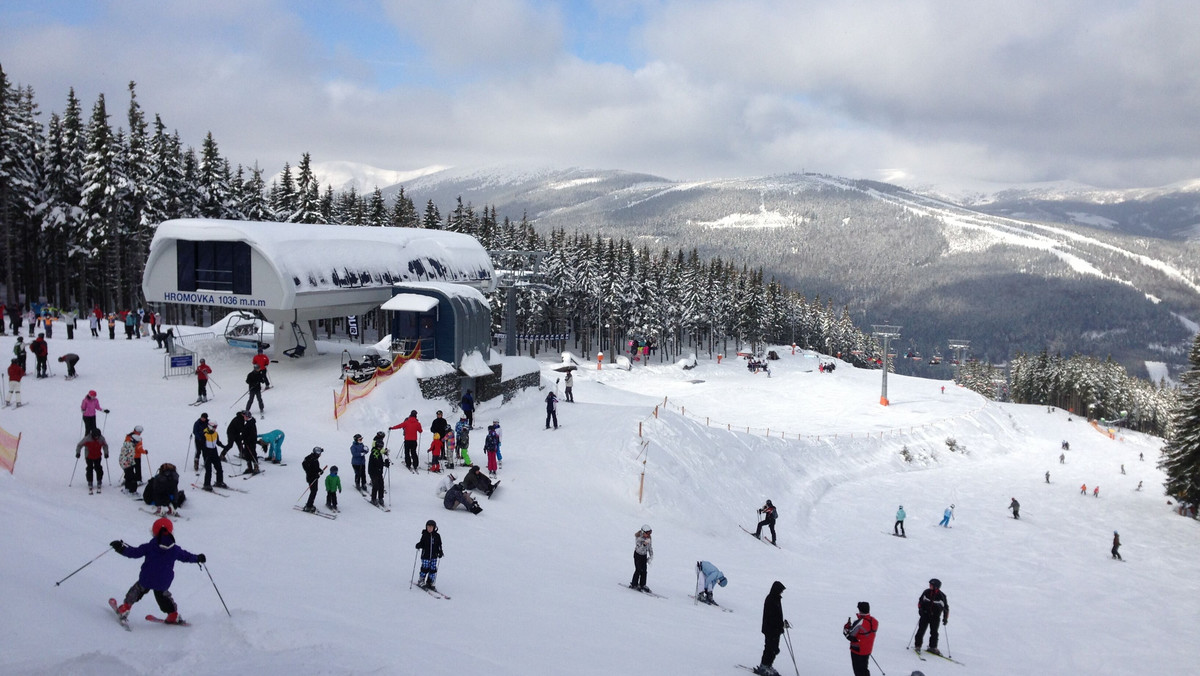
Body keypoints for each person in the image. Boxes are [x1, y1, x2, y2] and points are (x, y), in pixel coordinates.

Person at [109, 517, 204, 624]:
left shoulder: (149, 547)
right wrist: (198, 558)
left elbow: (134, 553)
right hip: (163, 581)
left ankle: (125, 608)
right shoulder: (175, 550)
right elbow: (187, 556)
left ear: (154, 532)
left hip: (147, 578)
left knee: (136, 591)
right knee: (163, 597)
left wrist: (121, 548)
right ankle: (173, 615)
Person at [755, 581, 788, 676]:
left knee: (774, 649)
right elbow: (771, 616)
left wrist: (781, 624)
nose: (781, 593)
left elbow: (778, 615)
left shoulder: (776, 599)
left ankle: (769, 665)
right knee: (769, 648)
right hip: (770, 629)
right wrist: (779, 625)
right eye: (781, 591)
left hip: (776, 630)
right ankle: (764, 666)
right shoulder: (770, 599)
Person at [914, 578, 949, 655]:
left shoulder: (942, 596)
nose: (930, 586)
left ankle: (932, 647)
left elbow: (946, 608)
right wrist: (920, 610)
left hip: (935, 617)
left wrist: (945, 618)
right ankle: (917, 645)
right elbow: (920, 601)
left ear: (936, 586)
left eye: (931, 585)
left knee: (934, 632)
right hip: (925, 615)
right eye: (930, 584)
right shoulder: (926, 592)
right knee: (921, 630)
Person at [843, 601, 878, 676]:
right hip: (867, 649)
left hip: (858, 650)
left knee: (858, 671)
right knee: (864, 669)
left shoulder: (859, 622)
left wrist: (847, 626)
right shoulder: (874, 621)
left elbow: (848, 635)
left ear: (860, 610)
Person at [75, 428, 109, 495]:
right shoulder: (87, 438)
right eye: (95, 436)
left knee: (98, 468)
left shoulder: (101, 438)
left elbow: (105, 445)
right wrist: (78, 453)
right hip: (89, 456)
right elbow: (79, 445)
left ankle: (99, 480)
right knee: (89, 468)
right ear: (92, 435)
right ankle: (90, 481)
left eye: (98, 436)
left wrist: (106, 453)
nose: (97, 437)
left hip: (97, 456)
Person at [415, 519, 445, 590]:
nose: (429, 528)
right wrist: (419, 545)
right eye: (428, 527)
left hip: (434, 555)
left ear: (434, 528)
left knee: (433, 569)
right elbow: (422, 543)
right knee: (425, 568)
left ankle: (430, 581)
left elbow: (439, 545)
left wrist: (440, 551)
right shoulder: (425, 535)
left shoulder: (437, 536)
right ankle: (421, 580)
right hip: (425, 555)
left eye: (431, 527)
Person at [201, 423, 228, 491]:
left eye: (216, 427)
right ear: (210, 426)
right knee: (208, 470)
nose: (215, 428)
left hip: (214, 452)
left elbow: (217, 442)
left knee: (219, 467)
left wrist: (223, 446)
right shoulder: (204, 434)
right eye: (214, 427)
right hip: (207, 454)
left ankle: (219, 482)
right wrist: (205, 452)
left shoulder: (215, 433)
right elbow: (201, 445)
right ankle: (206, 484)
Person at [630, 525, 653, 592]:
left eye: (650, 533)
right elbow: (639, 549)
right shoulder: (638, 538)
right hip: (638, 555)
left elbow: (650, 548)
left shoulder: (649, 538)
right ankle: (634, 584)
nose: (648, 535)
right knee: (638, 570)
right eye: (647, 533)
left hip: (644, 556)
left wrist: (651, 556)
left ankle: (643, 585)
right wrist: (644, 544)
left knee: (644, 571)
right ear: (643, 532)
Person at [368, 432, 389, 506]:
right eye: (379, 447)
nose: (380, 448)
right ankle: (373, 498)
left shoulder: (378, 452)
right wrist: (383, 464)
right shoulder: (374, 453)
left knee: (381, 485)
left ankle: (380, 498)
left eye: (381, 447)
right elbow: (376, 463)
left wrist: (385, 463)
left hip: (379, 472)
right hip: (373, 472)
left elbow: (380, 462)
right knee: (376, 485)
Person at [302, 447, 325, 513]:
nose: (321, 455)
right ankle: (309, 506)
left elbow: (315, 468)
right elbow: (309, 469)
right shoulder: (311, 459)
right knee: (313, 491)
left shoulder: (314, 458)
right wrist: (315, 475)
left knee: (314, 491)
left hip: (313, 477)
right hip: (311, 478)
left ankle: (309, 504)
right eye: (320, 453)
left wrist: (320, 470)